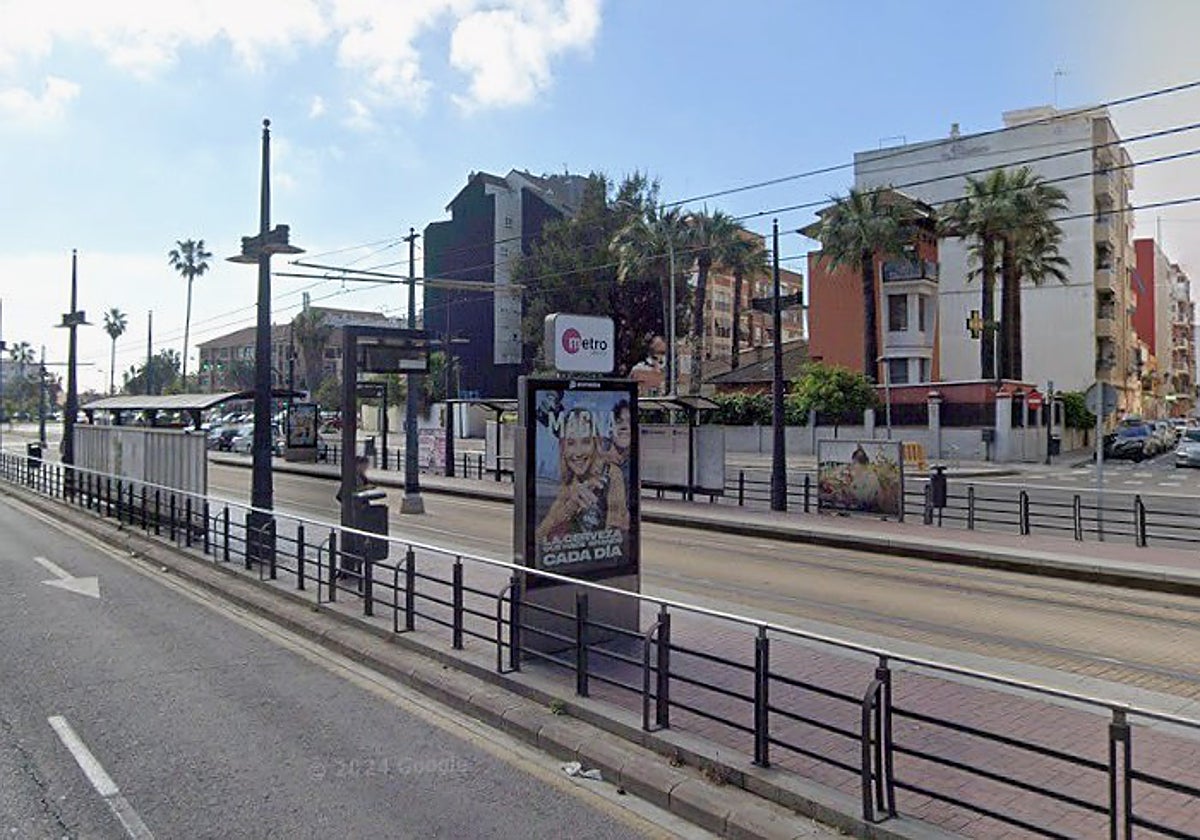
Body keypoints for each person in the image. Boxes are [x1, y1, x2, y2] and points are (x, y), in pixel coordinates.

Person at [536, 408, 628, 543]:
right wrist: (571, 506)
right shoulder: (570, 483)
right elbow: (540, 535)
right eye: (571, 443)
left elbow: (615, 527)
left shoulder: (611, 474)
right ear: (563, 448)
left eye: (585, 441)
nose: (578, 453)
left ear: (595, 444)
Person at [604, 399, 634, 495]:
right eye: (619, 421)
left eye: (629, 422)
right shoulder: (598, 454)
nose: (624, 427)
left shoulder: (633, 463)